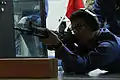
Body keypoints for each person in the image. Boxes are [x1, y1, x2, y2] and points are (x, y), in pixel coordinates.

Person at [40, 9, 120, 74]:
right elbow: (69, 68)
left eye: (79, 27)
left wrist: (58, 45)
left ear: (92, 26)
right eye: (73, 28)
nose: (75, 32)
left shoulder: (109, 46)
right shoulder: (88, 42)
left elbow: (82, 67)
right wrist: (68, 45)